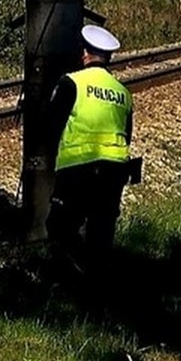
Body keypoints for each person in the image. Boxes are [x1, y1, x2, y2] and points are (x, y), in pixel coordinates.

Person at [46, 25, 135, 270]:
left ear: (84, 53)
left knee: (59, 226)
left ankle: (73, 277)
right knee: (102, 230)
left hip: (78, 165)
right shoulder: (123, 93)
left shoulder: (72, 82)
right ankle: (98, 284)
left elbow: (53, 124)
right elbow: (127, 134)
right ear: (108, 57)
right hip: (115, 170)